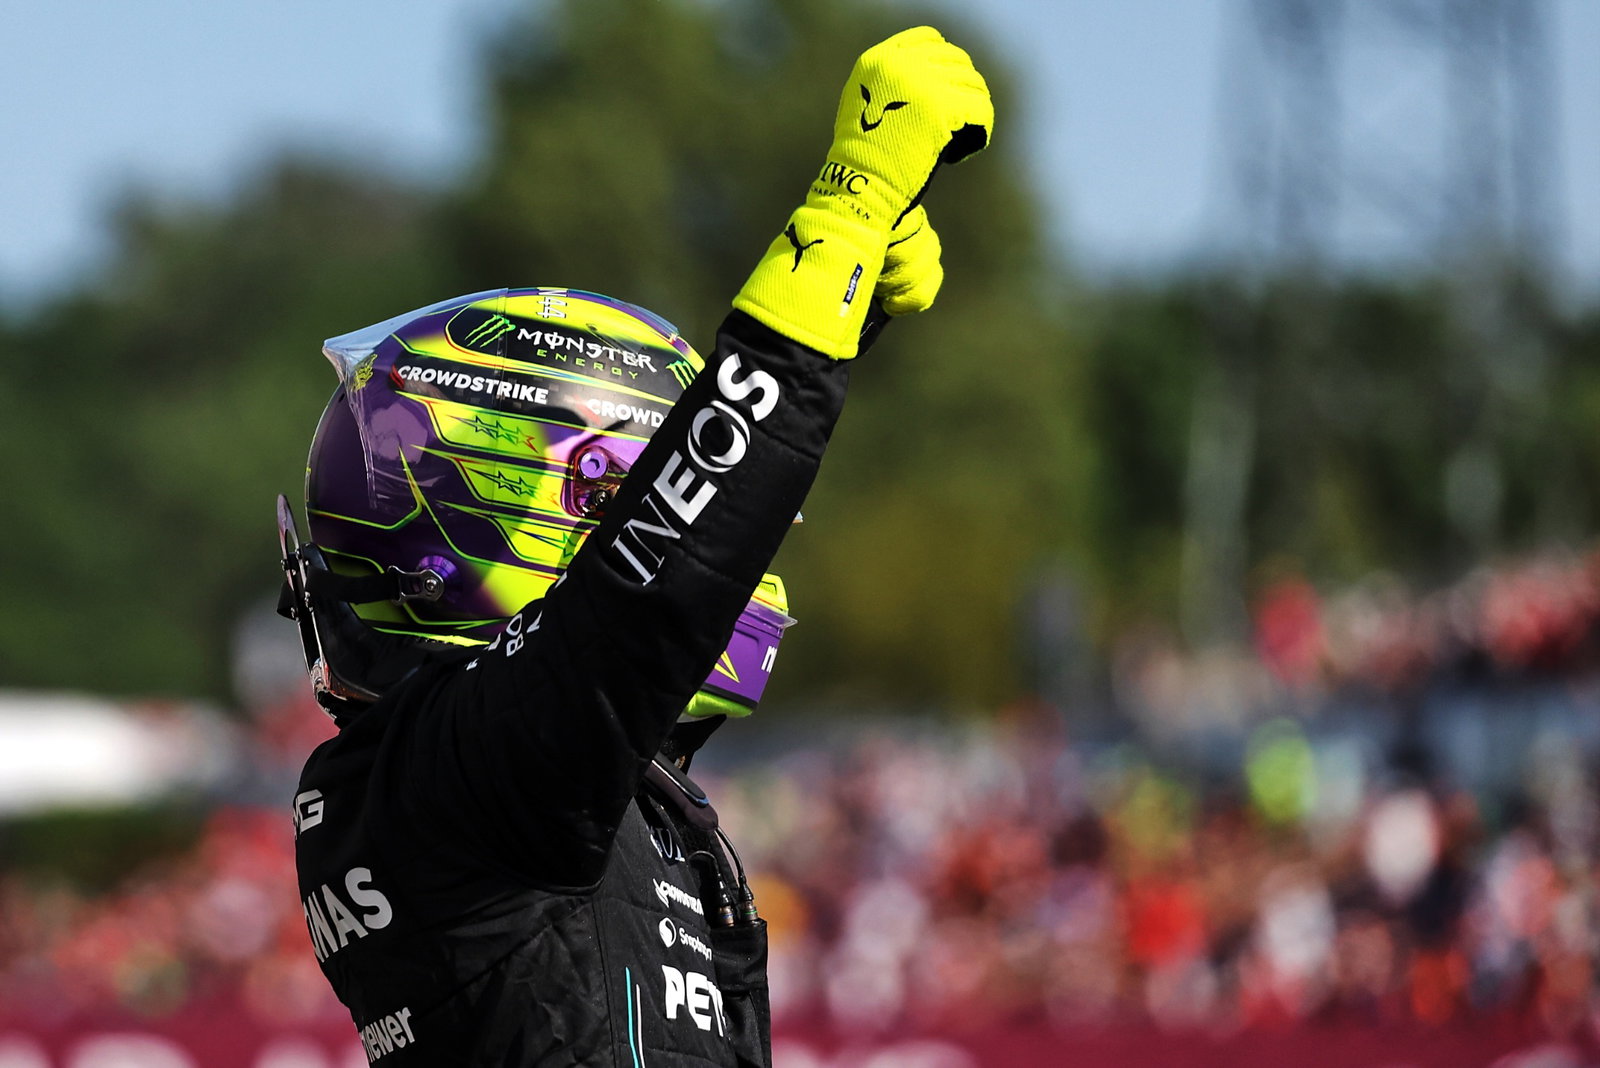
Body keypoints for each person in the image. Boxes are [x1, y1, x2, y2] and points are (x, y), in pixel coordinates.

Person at [276, 27, 992, 1066]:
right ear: (518, 502)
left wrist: (845, 320)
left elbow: (686, 555)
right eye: (620, 486)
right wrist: (843, 209)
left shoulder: (483, 771)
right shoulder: (469, 773)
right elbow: (661, 584)